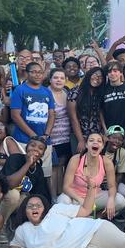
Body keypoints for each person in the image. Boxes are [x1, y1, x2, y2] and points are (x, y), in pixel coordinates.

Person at [58, 132, 125, 218]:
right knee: (62, 200)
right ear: (86, 145)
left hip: (95, 196)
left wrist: (111, 200)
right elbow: (66, 187)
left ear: (102, 147)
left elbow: (112, 186)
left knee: (120, 200)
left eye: (99, 141)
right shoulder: (76, 159)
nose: (95, 143)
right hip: (76, 197)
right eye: (91, 140)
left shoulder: (107, 162)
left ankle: (96, 218)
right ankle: (80, 219)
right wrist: (81, 201)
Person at [0, 136, 51, 242]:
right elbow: (11, 184)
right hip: (0, 200)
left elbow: (41, 195)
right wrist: (27, 164)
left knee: (27, 198)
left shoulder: (38, 170)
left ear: (42, 155)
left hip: (17, 204)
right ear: (26, 148)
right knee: (14, 194)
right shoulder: (15, 158)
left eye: (40, 148)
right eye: (32, 145)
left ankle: (14, 222)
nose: (35, 149)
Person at [10, 61, 55, 181]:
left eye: (40, 72)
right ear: (27, 74)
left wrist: (46, 134)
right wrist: (33, 136)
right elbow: (15, 115)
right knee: (25, 172)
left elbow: (51, 114)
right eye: (34, 72)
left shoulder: (47, 91)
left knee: (45, 174)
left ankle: (46, 198)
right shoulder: (20, 90)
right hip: (24, 140)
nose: (37, 75)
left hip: (45, 141)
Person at [48, 68, 72, 199]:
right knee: (53, 167)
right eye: (56, 77)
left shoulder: (67, 93)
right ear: (50, 79)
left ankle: (61, 195)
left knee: (62, 165)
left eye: (62, 78)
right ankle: (52, 197)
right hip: (51, 137)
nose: (59, 80)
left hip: (66, 137)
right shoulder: (46, 93)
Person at [68, 66, 104, 153]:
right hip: (79, 134)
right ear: (89, 75)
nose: (97, 78)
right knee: (79, 161)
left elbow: (100, 114)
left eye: (100, 77)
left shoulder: (99, 93)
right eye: (95, 75)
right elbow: (73, 117)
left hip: (96, 135)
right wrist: (80, 140)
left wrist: (104, 133)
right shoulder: (76, 91)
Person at [101, 61, 125, 146]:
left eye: (115, 71)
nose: (112, 74)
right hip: (109, 133)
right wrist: (105, 130)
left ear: (120, 73)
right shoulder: (103, 90)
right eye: (109, 72)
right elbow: (100, 111)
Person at [103, 125, 125, 198]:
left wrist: (114, 186)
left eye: (120, 139)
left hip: (112, 181)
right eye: (114, 138)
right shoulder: (100, 149)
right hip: (96, 182)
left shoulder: (122, 152)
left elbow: (120, 174)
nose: (117, 141)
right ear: (108, 138)